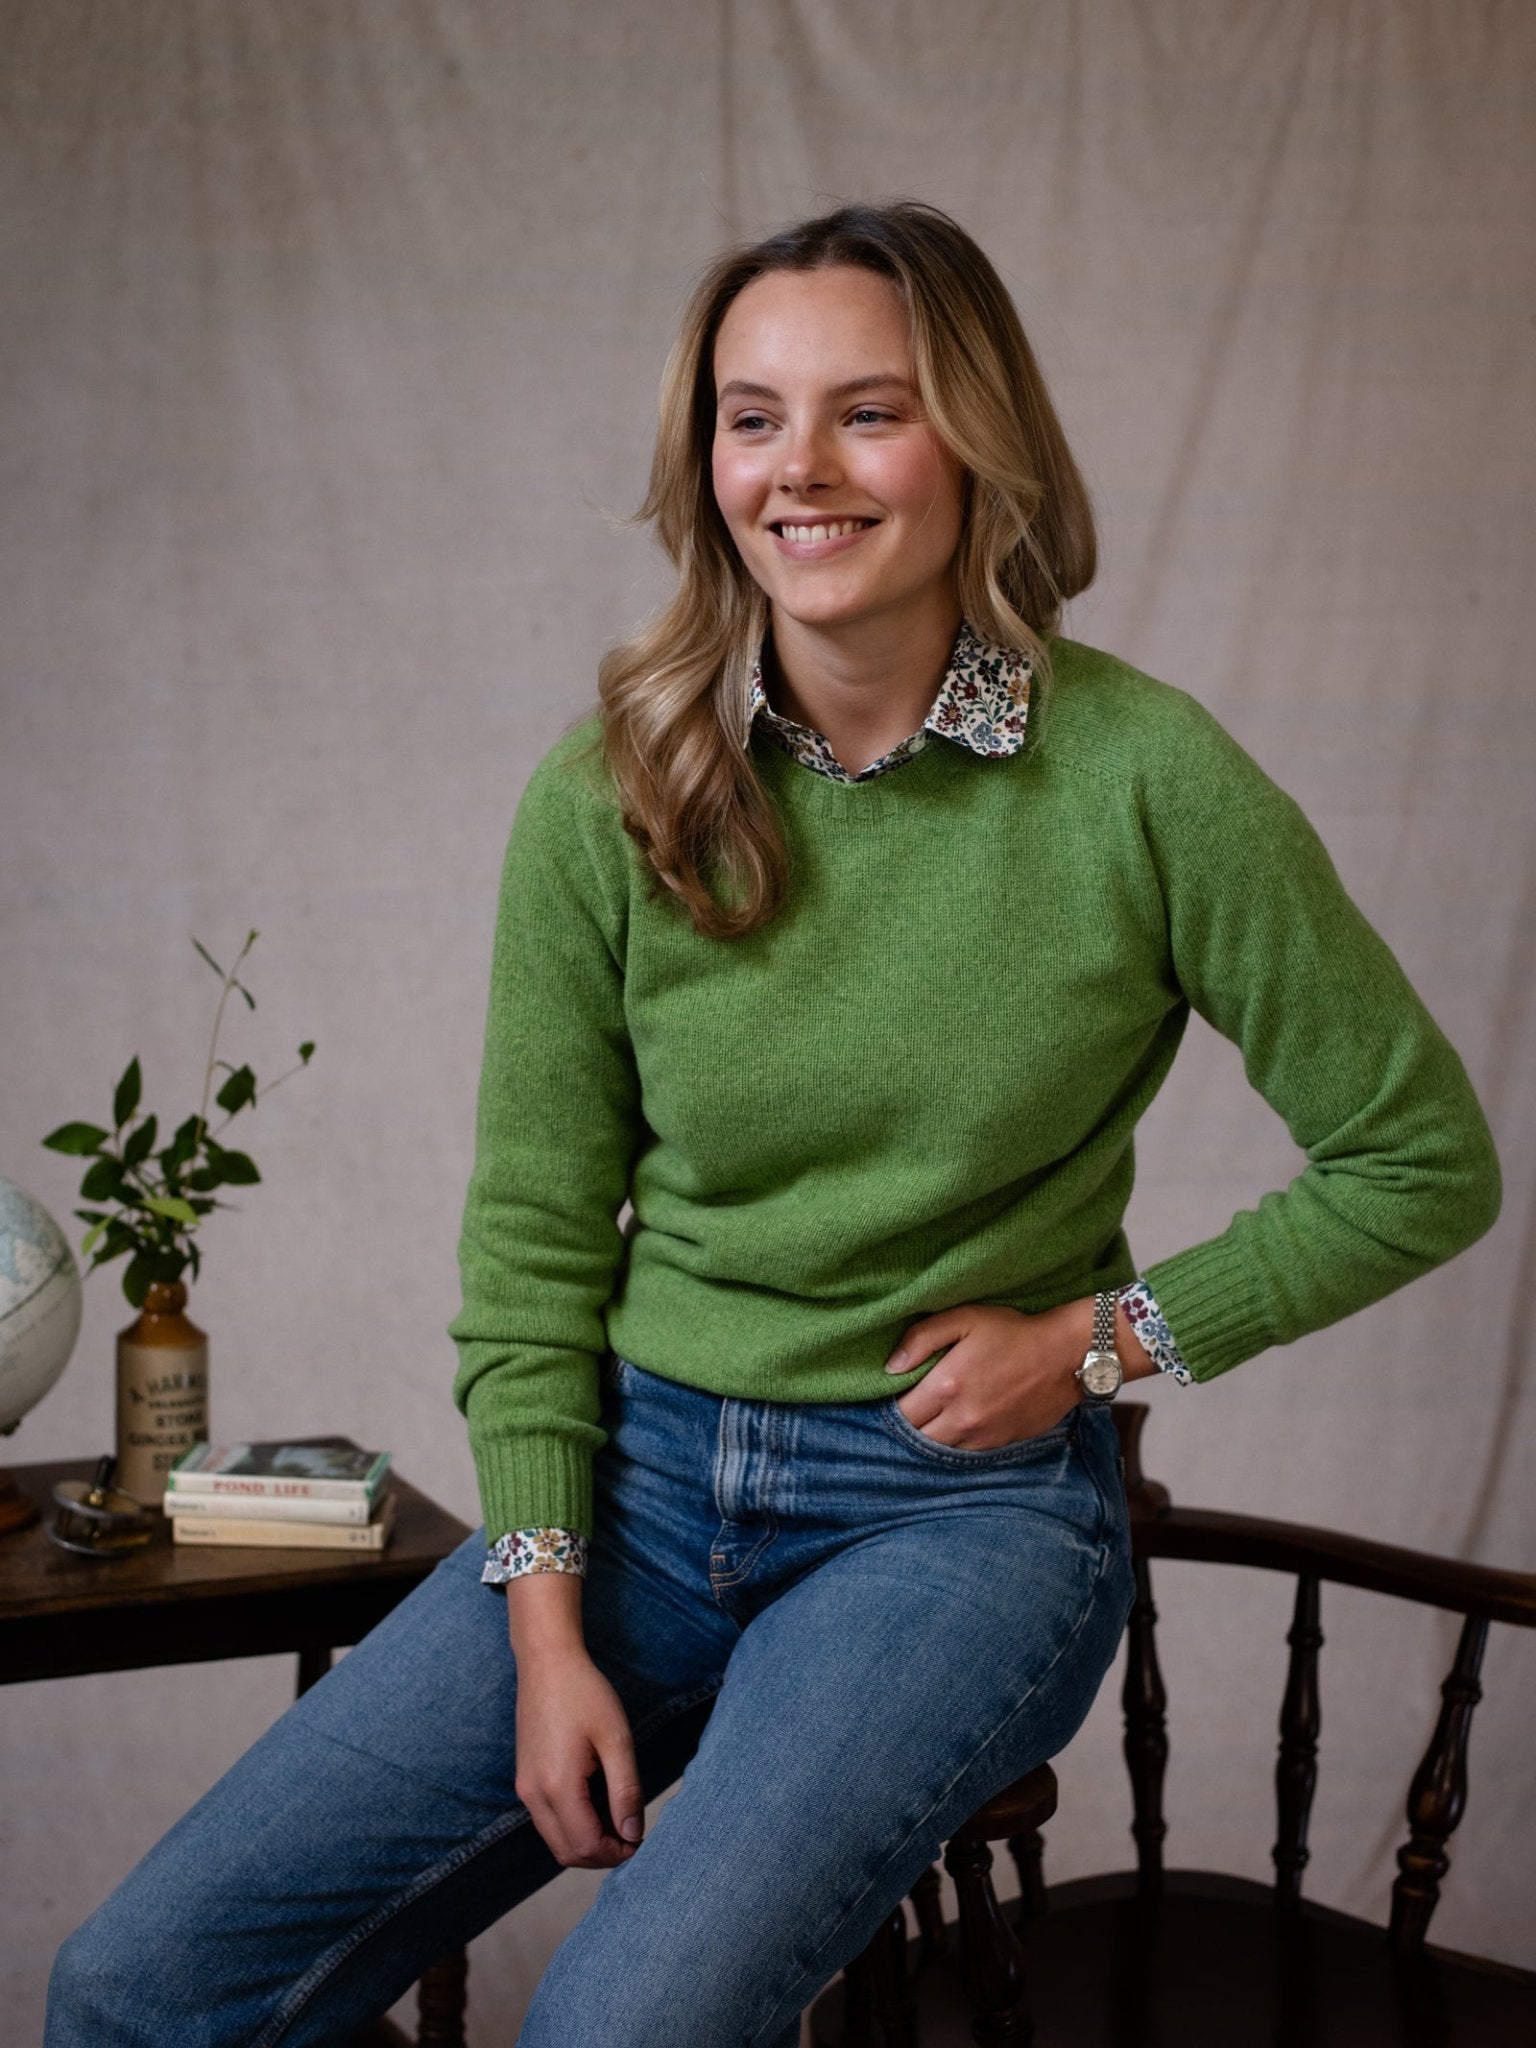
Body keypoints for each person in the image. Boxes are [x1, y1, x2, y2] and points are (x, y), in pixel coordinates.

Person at [46, 200, 1500, 2048]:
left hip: (956, 1524)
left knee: (613, 2035)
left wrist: (1104, 1342)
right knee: (138, 1988)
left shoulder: (1146, 780)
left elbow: (1422, 1158)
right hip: (639, 1489)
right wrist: (548, 1631)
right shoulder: (616, 791)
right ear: (704, 457)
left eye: (868, 412)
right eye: (751, 417)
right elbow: (536, 1250)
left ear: (982, 445)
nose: (799, 470)